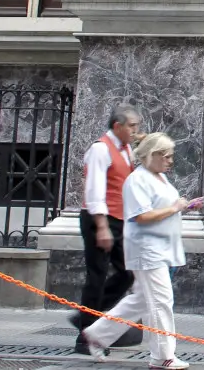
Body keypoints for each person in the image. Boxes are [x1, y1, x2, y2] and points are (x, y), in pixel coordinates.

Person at [81, 132, 202, 370]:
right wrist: (175, 207)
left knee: (142, 301)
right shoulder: (137, 180)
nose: (171, 160)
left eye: (171, 156)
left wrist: (183, 207)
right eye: (166, 156)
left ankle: (97, 334)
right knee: (161, 300)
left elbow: (162, 208)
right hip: (147, 250)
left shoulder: (159, 178)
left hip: (160, 248)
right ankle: (163, 355)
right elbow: (142, 216)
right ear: (152, 155)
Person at [71, 104, 143, 355]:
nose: (136, 131)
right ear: (117, 126)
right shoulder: (100, 149)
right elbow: (94, 190)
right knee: (97, 275)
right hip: (98, 218)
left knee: (127, 272)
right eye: (132, 126)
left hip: (119, 218)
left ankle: (88, 316)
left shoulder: (126, 150)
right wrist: (101, 226)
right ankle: (86, 335)